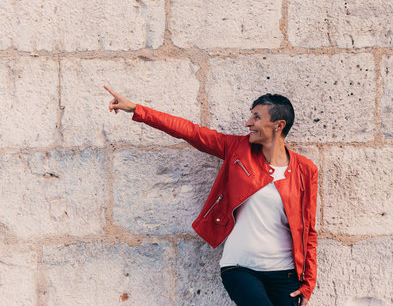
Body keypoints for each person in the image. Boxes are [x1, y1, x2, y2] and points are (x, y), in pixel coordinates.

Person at [104, 85, 318, 306]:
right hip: (240, 268)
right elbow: (190, 131)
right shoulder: (237, 149)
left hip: (286, 274)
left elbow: (309, 230)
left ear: (278, 125)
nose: (248, 123)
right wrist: (136, 109)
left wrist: (308, 283)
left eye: (256, 117)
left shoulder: (305, 170)